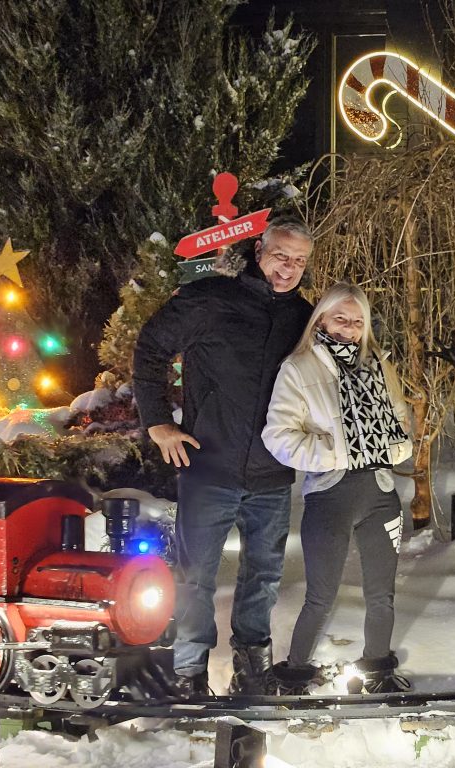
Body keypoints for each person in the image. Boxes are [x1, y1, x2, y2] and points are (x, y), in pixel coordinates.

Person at [132, 216, 314, 696]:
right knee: (196, 579)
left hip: (272, 473)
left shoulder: (305, 320)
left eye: (298, 261)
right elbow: (151, 348)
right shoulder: (212, 299)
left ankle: (252, 666)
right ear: (260, 252)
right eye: (280, 256)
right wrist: (158, 423)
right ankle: (189, 672)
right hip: (208, 465)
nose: (288, 268)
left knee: (265, 577)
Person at [261, 282, 414, 695]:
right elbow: (278, 436)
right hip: (330, 493)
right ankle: (294, 675)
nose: (348, 329)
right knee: (321, 595)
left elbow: (400, 418)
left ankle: (378, 672)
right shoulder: (299, 368)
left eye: (357, 321)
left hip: (380, 492)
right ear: (321, 320)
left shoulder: (378, 363)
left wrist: (398, 447)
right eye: (340, 319)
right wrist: (333, 454)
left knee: (382, 593)